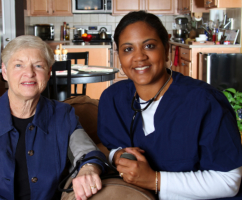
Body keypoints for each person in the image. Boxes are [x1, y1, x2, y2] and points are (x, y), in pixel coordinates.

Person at [97, 11, 242, 200]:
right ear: (119, 56)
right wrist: (116, 156)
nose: (139, 57)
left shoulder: (204, 102)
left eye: (149, 46)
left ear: (167, 48)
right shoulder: (112, 99)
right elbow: (109, 147)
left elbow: (229, 181)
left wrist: (154, 180)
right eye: (128, 49)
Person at [0, 35, 105, 200]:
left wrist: (89, 168)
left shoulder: (63, 115)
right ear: (5, 71)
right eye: (18, 65)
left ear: (49, 72)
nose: (29, 73)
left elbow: (87, 152)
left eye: (38, 65)